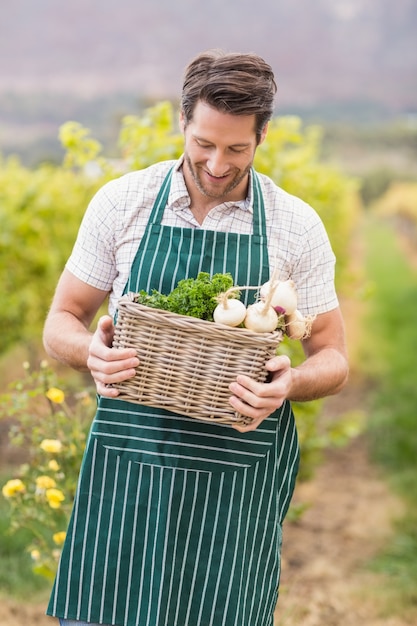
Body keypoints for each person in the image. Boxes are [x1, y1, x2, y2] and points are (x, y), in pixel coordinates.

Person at [43, 49, 348, 626]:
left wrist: (291, 383)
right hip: (132, 465)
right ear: (183, 122)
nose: (215, 163)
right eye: (203, 143)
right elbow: (63, 317)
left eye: (236, 148)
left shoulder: (295, 224)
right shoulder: (122, 203)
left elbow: (333, 357)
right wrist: (91, 352)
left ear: (262, 135)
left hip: (238, 474)